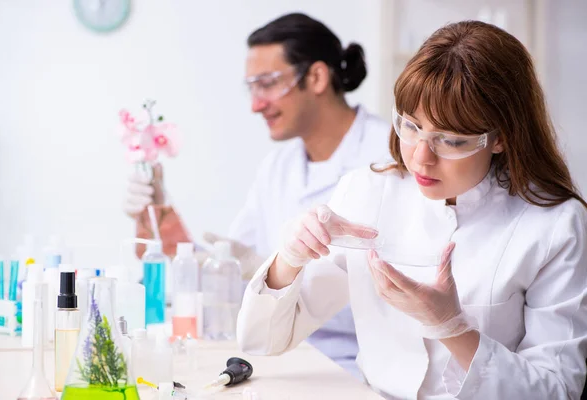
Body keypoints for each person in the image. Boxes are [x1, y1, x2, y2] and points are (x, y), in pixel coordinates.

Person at [236, 20, 587, 399]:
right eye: (411, 126)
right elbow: (263, 342)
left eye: (450, 140)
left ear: (500, 137)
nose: (421, 157)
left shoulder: (555, 225)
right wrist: (287, 262)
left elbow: (557, 390)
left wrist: (453, 328)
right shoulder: (368, 192)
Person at [123, 13, 392, 378]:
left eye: (267, 84)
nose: (255, 104)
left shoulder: (392, 154)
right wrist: (176, 242)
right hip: (279, 361)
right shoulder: (276, 168)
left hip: (363, 368)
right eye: (251, 87)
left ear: (316, 77)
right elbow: (236, 283)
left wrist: (281, 271)